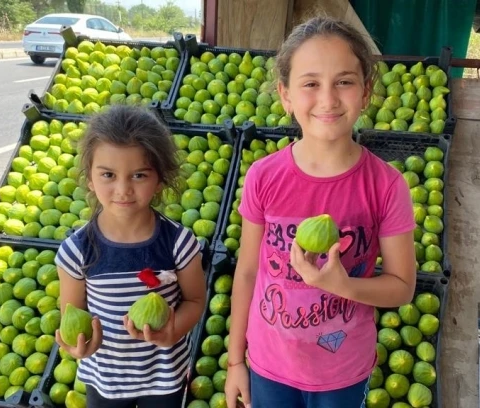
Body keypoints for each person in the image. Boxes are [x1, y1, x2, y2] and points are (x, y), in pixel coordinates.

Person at [225, 16, 418, 408]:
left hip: (342, 370)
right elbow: (247, 272)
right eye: (311, 83)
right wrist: (233, 362)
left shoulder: (387, 186)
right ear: (286, 95)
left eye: (344, 82)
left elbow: (402, 286)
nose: (328, 99)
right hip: (268, 364)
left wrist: (342, 285)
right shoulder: (263, 177)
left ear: (365, 93)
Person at [53, 105, 207, 408]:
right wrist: (78, 347)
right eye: (108, 175)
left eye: (138, 175)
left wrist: (172, 331)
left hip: (164, 377)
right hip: (105, 378)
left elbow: (195, 301)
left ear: (160, 179)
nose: (123, 189)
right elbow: (72, 312)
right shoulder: (76, 251)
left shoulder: (179, 243)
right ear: (89, 179)